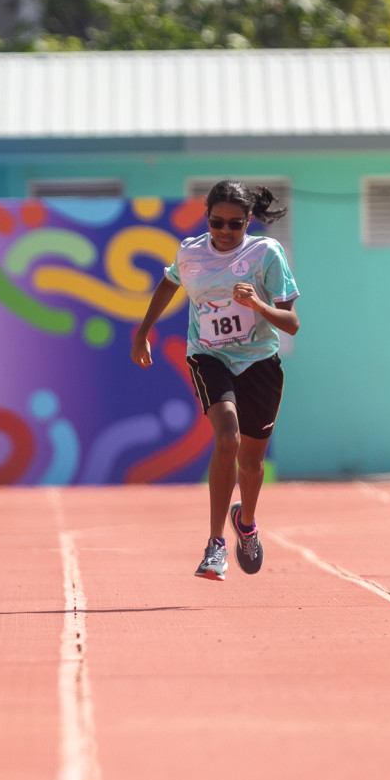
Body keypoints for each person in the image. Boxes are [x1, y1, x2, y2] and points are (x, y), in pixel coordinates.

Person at [132, 181, 299, 581]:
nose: (224, 231)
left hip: (259, 362)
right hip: (209, 355)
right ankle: (215, 546)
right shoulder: (190, 252)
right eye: (216, 222)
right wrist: (143, 332)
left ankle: (246, 521)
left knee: (252, 464)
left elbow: (291, 324)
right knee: (228, 438)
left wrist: (257, 304)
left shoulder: (265, 254)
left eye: (235, 224)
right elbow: (171, 282)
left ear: (248, 222)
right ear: (206, 216)